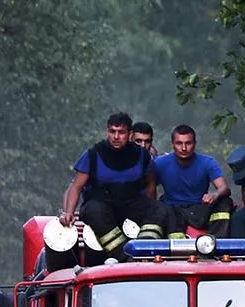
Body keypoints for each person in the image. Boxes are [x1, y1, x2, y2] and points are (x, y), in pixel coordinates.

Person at [59, 111, 171, 258]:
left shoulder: (142, 155)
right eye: (112, 132)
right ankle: (125, 256)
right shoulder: (94, 154)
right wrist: (69, 212)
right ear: (107, 131)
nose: (116, 137)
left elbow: (150, 185)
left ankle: (145, 248)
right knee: (93, 211)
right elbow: (76, 186)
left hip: (130, 204)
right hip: (101, 205)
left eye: (121, 132)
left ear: (130, 134)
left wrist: (150, 209)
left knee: (160, 209)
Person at [152, 124, 231, 237]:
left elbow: (224, 188)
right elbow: (148, 187)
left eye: (188, 143)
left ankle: (215, 241)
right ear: (172, 144)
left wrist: (215, 195)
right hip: (172, 210)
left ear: (194, 144)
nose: (184, 148)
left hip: (199, 209)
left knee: (225, 202)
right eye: (179, 143)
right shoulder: (160, 163)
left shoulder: (207, 162)